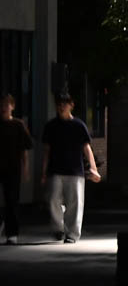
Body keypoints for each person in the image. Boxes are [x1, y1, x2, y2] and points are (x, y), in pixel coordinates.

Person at [41, 94, 101, 243]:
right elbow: (47, 151)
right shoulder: (51, 126)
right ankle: (58, 229)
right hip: (55, 169)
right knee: (53, 200)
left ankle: (72, 234)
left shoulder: (79, 126)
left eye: (65, 104)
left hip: (75, 170)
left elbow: (87, 148)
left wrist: (94, 169)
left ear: (71, 105)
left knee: (75, 203)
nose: (61, 107)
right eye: (59, 104)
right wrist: (43, 172)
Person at [0, 94, 33, 244]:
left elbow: (24, 149)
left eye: (7, 105)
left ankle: (12, 233)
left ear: (12, 106)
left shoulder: (18, 125)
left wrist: (25, 168)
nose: (4, 108)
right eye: (2, 105)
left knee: (12, 201)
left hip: (13, 167)